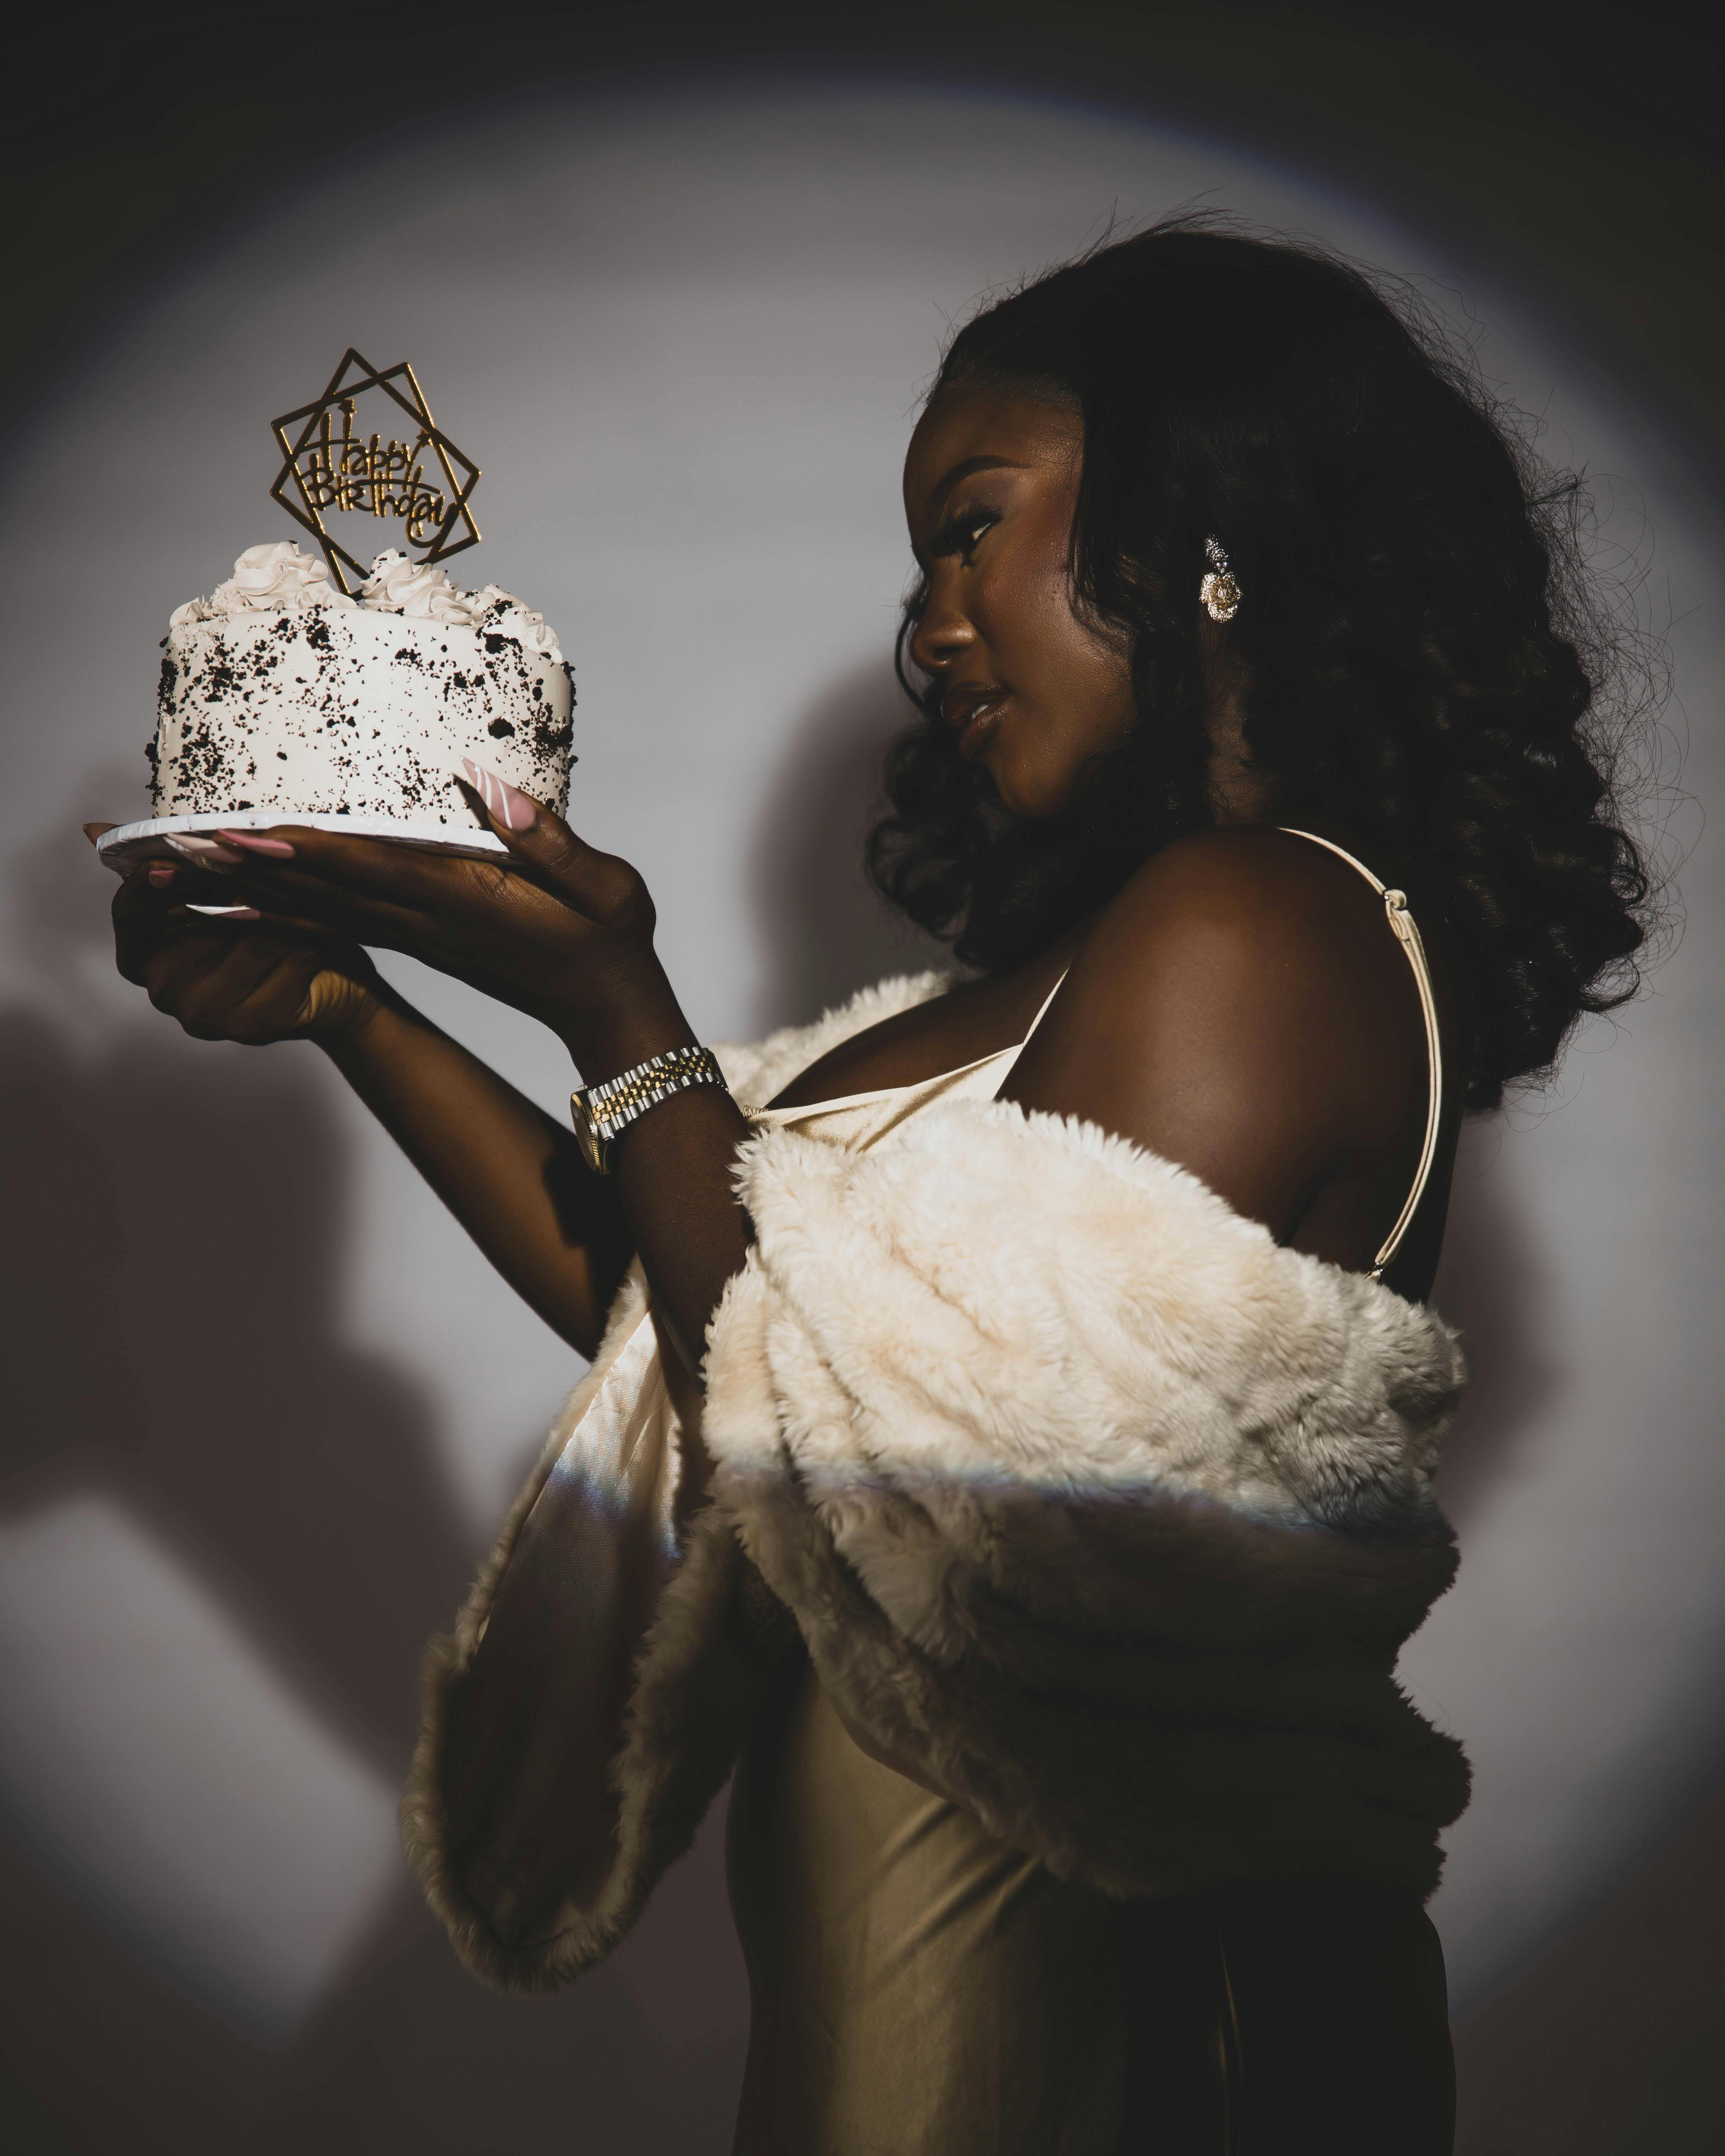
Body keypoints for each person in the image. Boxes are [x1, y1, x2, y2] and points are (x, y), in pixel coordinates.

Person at [93, 221, 1653, 2153]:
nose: (924, 626)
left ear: (1198, 534)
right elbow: (681, 1315)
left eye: (971, 526)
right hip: (897, 1998)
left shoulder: (1257, 927)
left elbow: (934, 1483)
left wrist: (610, 998)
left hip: (1101, 2032)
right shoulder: (1038, 987)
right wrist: (360, 1008)